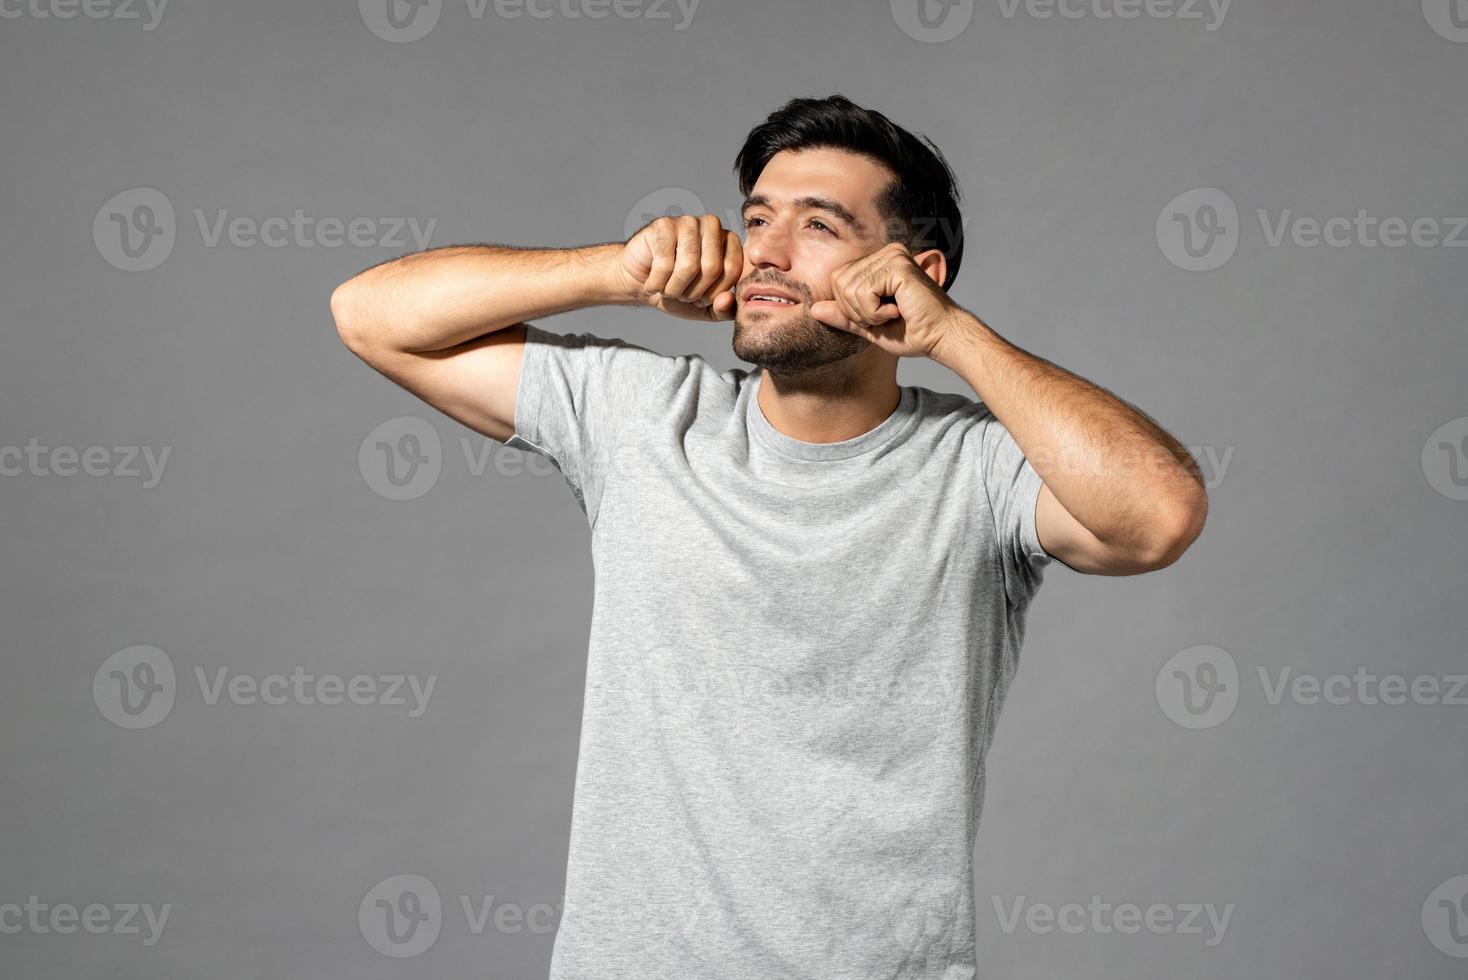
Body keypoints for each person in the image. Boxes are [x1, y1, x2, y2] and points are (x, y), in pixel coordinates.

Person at [330, 93, 1208, 979]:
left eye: (819, 225)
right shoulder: (644, 416)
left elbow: (1158, 515)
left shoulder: (980, 469)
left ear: (915, 272)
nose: (769, 253)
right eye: (758, 219)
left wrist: (952, 336)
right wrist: (618, 271)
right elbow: (372, 316)